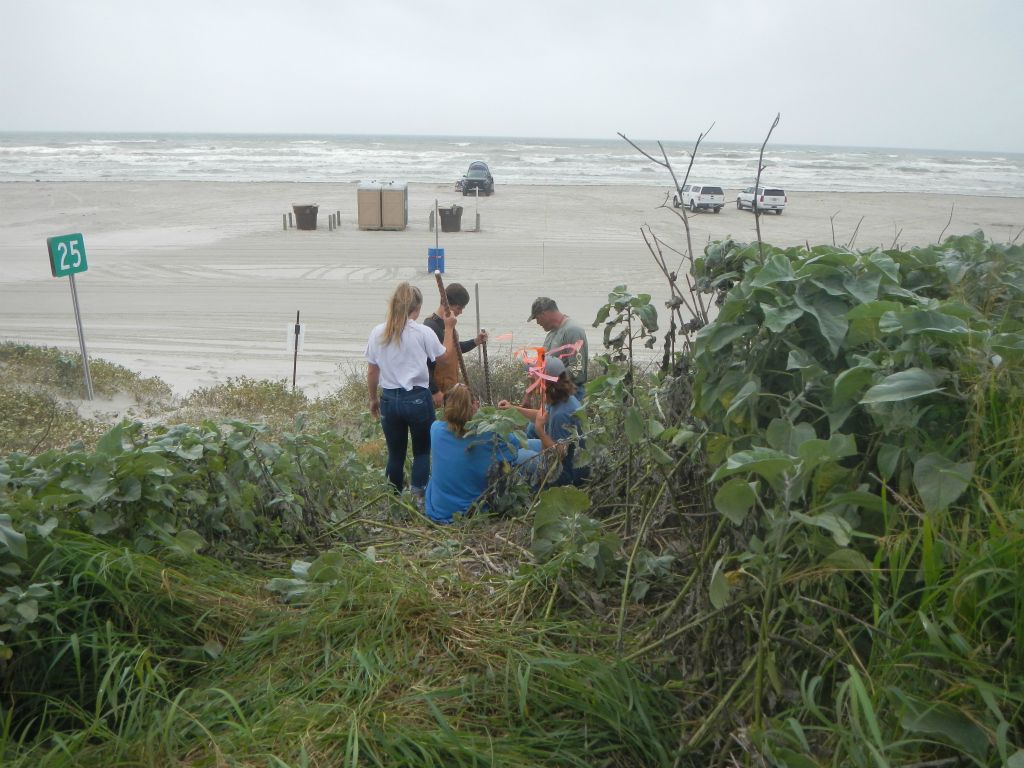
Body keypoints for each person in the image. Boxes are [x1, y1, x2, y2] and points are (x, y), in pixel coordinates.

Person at [365, 282, 454, 495]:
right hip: (417, 398)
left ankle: (394, 497)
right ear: (418, 307)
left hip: (389, 399)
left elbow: (372, 372)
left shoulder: (378, 332)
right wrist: (449, 328)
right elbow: (445, 357)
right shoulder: (422, 332)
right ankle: (418, 495)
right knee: (422, 451)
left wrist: (373, 399)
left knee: (395, 454)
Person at [424, 383, 518, 524]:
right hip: (472, 512)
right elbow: (515, 446)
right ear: (474, 405)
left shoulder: (435, 429)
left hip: (439, 510)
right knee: (524, 455)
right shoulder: (488, 435)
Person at [498, 357, 587, 487]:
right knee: (519, 444)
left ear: (546, 383)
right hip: (559, 456)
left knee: (516, 457)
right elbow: (540, 415)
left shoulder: (561, 415)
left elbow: (559, 455)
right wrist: (512, 408)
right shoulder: (560, 397)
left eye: (535, 378)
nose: (531, 380)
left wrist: (540, 431)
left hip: (566, 474)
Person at [422, 283, 488, 406]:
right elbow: (424, 364)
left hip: (450, 388)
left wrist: (476, 341)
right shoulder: (430, 327)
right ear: (447, 305)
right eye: (459, 308)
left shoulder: (448, 323)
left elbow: (454, 349)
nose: (461, 312)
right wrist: (434, 391)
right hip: (437, 393)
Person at [527, 296, 589, 394]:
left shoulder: (573, 330)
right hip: (555, 395)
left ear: (544, 314)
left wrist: (548, 377)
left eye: (537, 318)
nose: (537, 322)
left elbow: (577, 370)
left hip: (570, 394)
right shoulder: (551, 334)